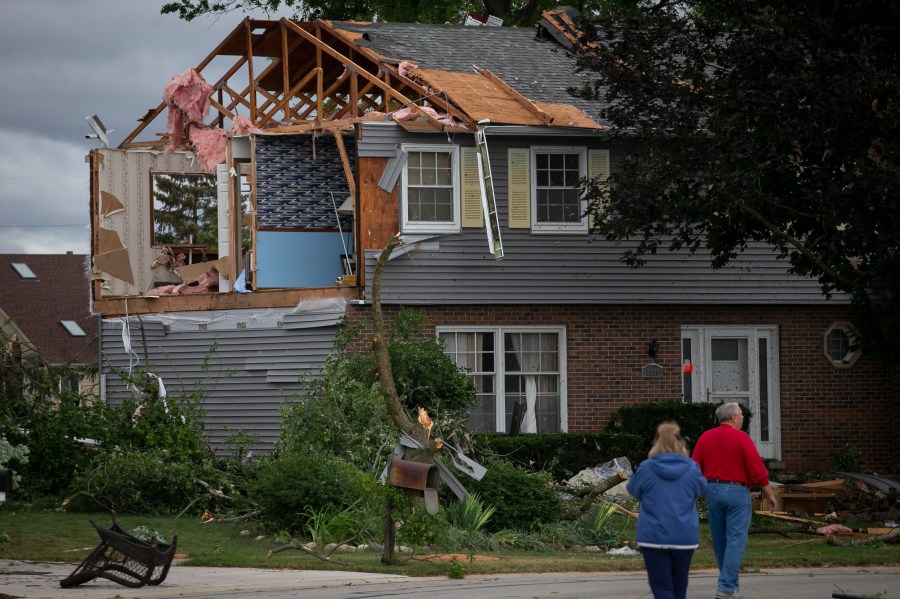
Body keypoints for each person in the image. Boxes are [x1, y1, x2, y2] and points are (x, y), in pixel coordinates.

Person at [692, 402, 778, 599]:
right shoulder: (742, 438)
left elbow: (694, 467)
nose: (742, 418)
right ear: (732, 417)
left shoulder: (706, 437)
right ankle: (726, 588)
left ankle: (730, 586)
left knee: (720, 540)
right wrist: (769, 493)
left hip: (712, 490)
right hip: (737, 492)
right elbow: (757, 468)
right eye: (740, 415)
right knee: (736, 540)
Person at [627, 422, 707, 599]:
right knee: (680, 584)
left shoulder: (647, 467)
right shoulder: (691, 468)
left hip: (653, 536)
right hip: (684, 536)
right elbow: (701, 489)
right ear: (680, 443)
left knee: (661, 586)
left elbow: (633, 490)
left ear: (656, 442)